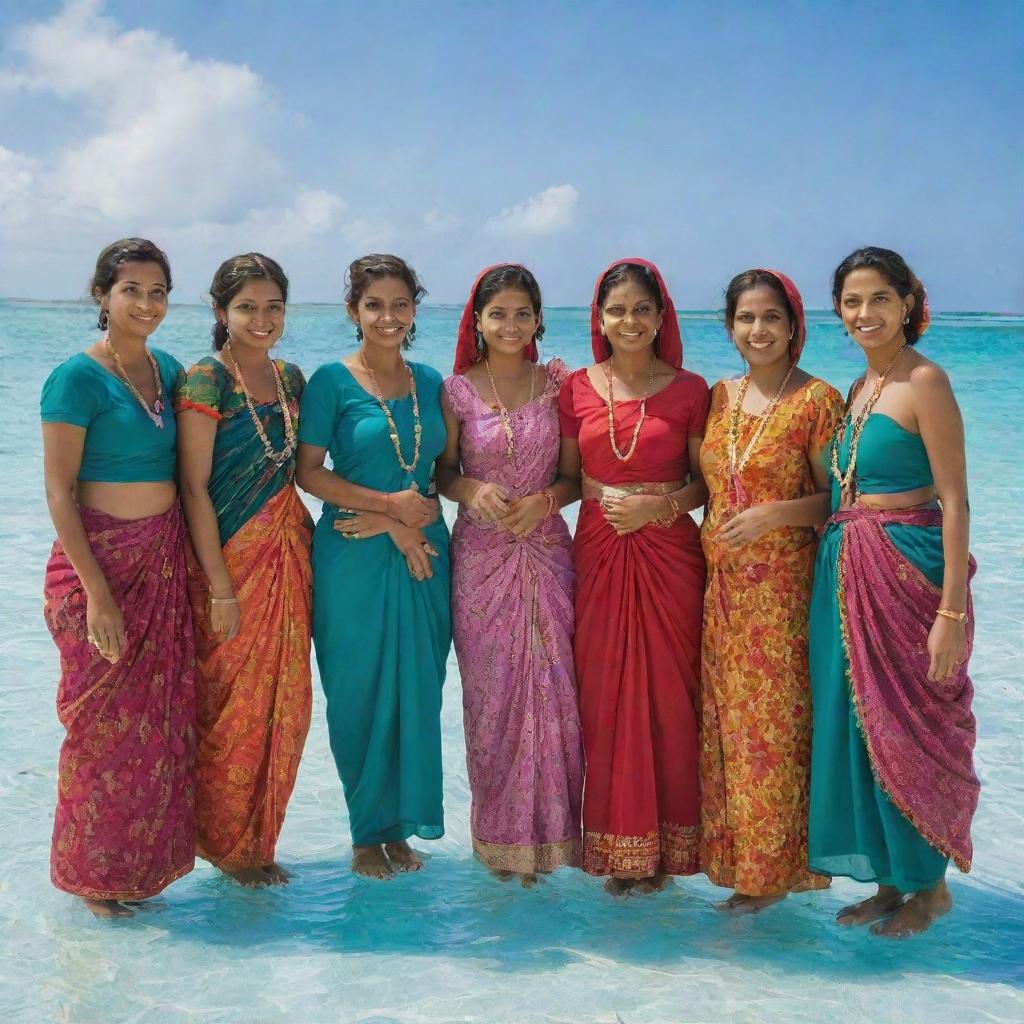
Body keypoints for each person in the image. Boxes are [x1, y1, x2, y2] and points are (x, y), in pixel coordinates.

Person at [808, 246, 980, 938]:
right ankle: (888, 879)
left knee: (911, 723)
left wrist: (950, 613)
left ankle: (929, 889)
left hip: (909, 576)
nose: (864, 313)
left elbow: (956, 500)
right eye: (852, 302)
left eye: (879, 298)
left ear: (908, 302)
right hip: (845, 574)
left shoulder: (924, 382)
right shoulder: (859, 388)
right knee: (855, 726)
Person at [40, 238, 195, 918]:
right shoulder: (75, 378)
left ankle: (143, 871)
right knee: (100, 731)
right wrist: (98, 593)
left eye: (158, 291)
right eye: (132, 289)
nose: (147, 304)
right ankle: (91, 877)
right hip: (96, 569)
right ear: (103, 295)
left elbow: (192, 478)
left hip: (163, 565)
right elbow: (57, 491)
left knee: (156, 731)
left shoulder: (169, 369)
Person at [296, 254, 450, 880]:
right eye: (374, 305)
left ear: (416, 308)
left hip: (427, 558)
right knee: (356, 695)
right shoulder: (330, 381)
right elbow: (307, 472)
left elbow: (449, 478)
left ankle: (402, 826)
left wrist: (412, 523)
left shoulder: (434, 382)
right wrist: (389, 513)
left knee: (418, 693)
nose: (388, 317)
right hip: (354, 553)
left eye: (400, 304)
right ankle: (367, 833)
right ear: (353, 311)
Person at [557, 258, 709, 895]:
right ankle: (622, 851)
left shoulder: (693, 389)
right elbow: (567, 478)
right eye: (617, 309)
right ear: (599, 318)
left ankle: (672, 853)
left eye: (642, 309)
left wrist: (660, 507)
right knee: (605, 698)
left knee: (674, 701)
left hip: (671, 555)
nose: (629, 320)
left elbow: (708, 484)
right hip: (597, 551)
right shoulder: (575, 389)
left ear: (661, 316)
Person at [698, 269, 843, 913]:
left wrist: (776, 514)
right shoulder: (720, 396)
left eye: (771, 318)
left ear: (794, 327)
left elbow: (839, 501)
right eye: (746, 319)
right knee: (727, 726)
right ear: (730, 328)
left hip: (782, 593)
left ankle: (770, 873)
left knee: (775, 729)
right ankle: (736, 862)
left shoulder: (816, 401)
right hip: (721, 592)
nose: (759, 331)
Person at [436, 264, 583, 887]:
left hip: (548, 551)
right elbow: (441, 474)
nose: (511, 324)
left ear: (538, 320)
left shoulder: (560, 386)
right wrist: (471, 488)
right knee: (491, 700)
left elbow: (576, 477)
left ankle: (552, 846)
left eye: (523, 313)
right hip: (480, 559)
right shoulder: (456, 391)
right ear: (478, 320)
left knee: (557, 697)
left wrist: (545, 503)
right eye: (498, 314)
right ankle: (498, 844)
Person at [177, 254, 312, 888]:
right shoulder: (207, 380)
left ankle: (257, 842)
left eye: (274, 306)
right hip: (227, 561)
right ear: (219, 311)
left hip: (288, 555)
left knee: (285, 702)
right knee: (225, 705)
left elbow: (313, 467)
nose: (262, 319)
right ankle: (220, 842)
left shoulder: (292, 379)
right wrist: (221, 587)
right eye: (248, 307)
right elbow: (195, 488)